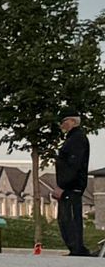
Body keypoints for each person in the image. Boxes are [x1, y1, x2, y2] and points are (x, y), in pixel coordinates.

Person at [54, 108, 94, 258]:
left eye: (63, 121)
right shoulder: (74, 139)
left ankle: (78, 250)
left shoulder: (76, 139)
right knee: (66, 218)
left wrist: (62, 186)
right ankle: (75, 249)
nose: (61, 125)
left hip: (71, 187)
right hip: (71, 186)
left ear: (72, 121)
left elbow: (73, 165)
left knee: (69, 218)